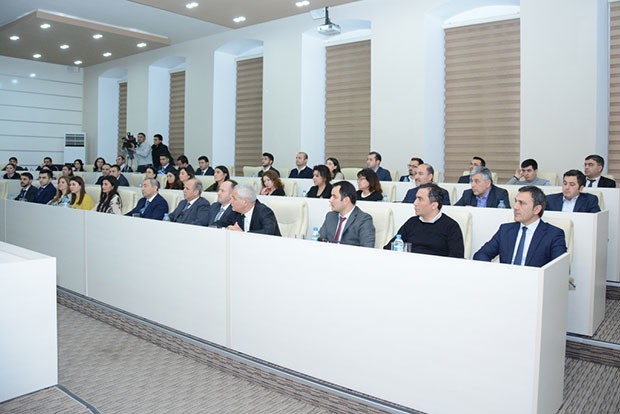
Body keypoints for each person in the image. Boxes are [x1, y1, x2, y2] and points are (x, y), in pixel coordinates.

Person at [473, 186, 567, 267]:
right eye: (516, 201)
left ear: (536, 209)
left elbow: (560, 268)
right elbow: (481, 254)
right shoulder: (505, 230)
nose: (515, 207)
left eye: (522, 203)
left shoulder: (553, 235)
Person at [384, 183, 464, 258]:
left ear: (434, 205)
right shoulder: (411, 222)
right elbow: (389, 248)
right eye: (416, 198)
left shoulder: (451, 226)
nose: (415, 203)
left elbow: (456, 258)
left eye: (420, 199)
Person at [318, 181, 375, 247]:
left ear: (346, 200)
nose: (330, 200)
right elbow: (320, 240)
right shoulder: (330, 216)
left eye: (334, 197)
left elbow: (367, 248)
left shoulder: (364, 220)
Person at [214, 184, 281, 236]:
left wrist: (243, 234)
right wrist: (225, 229)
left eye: (234, 198)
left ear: (245, 202)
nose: (230, 201)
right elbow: (217, 224)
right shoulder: (235, 211)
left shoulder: (264, 212)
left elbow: (268, 232)